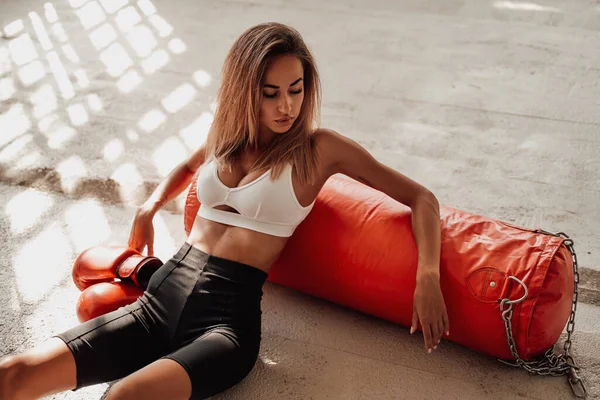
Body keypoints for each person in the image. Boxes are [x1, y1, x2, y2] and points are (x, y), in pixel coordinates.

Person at [0, 22, 449, 400]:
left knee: (123, 396)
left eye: (296, 89)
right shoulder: (225, 131)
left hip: (223, 325)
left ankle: (135, 271)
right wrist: (150, 205)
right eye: (270, 93)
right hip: (160, 298)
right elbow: (189, 165)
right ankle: (141, 271)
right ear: (243, 90)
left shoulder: (320, 149)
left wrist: (427, 275)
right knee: (14, 374)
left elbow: (421, 198)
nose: (287, 106)